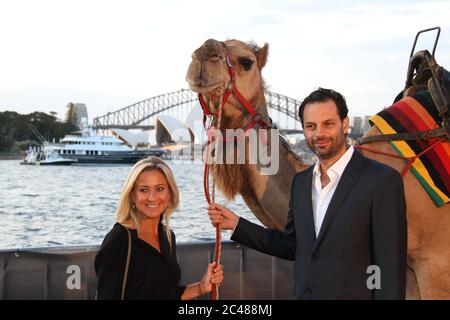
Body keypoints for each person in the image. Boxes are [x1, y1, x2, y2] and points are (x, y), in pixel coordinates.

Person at [208, 88, 407, 300]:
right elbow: (293, 245)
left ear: (345, 123)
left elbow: (390, 269)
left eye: (328, 124)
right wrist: (237, 224)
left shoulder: (382, 180)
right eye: (310, 126)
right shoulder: (301, 183)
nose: (319, 133)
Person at [95, 156, 223, 300]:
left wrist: (201, 287)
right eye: (143, 190)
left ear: (169, 194)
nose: (152, 197)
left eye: (160, 189)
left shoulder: (167, 236)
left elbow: (165, 294)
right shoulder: (119, 239)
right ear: (132, 195)